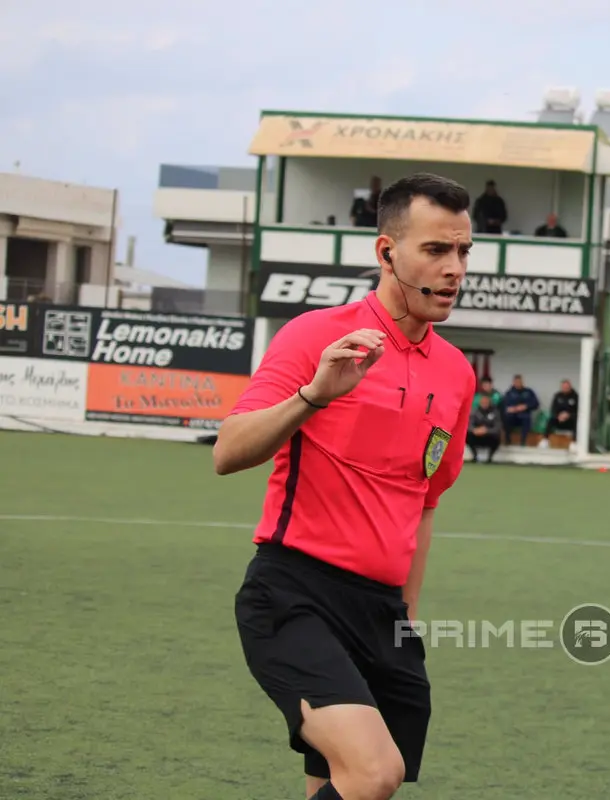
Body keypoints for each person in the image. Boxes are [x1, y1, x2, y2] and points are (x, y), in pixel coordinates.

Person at [216, 173, 478, 800]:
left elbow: (424, 504)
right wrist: (314, 396)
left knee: (340, 783)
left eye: (463, 251)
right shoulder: (317, 336)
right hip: (295, 596)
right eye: (435, 250)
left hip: (382, 613)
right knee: (374, 772)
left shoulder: (457, 373)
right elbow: (228, 451)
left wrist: (406, 620)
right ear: (387, 252)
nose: (454, 269)